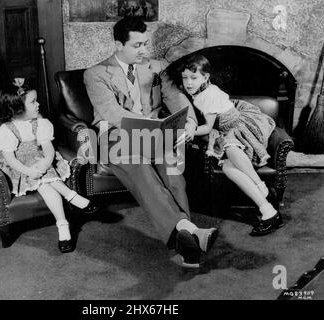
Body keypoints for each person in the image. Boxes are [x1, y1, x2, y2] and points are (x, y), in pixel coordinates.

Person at [83, 17, 218, 269]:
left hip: (155, 135)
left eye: (146, 44)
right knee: (141, 169)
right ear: (118, 44)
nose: (144, 50)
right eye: (137, 45)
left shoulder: (157, 67)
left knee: (173, 173)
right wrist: (150, 125)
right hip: (116, 136)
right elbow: (113, 113)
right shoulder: (96, 74)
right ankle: (188, 232)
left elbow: (176, 97)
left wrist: (189, 121)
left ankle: (186, 242)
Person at [174, 53, 284, 236]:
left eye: (194, 78)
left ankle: (260, 185)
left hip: (240, 128)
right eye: (185, 78)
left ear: (206, 77)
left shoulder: (206, 96)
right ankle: (269, 211)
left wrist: (190, 131)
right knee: (227, 166)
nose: (189, 83)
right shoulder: (202, 91)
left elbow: (208, 127)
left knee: (229, 146)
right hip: (226, 132)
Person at [0, 79, 99, 253]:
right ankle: (71, 196)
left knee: (46, 186)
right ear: (17, 108)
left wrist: (47, 161)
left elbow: (47, 146)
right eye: (33, 101)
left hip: (41, 164)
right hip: (20, 168)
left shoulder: (40, 123)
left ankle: (63, 227)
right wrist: (28, 171)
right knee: (43, 177)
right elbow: (10, 159)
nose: (38, 104)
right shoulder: (6, 131)